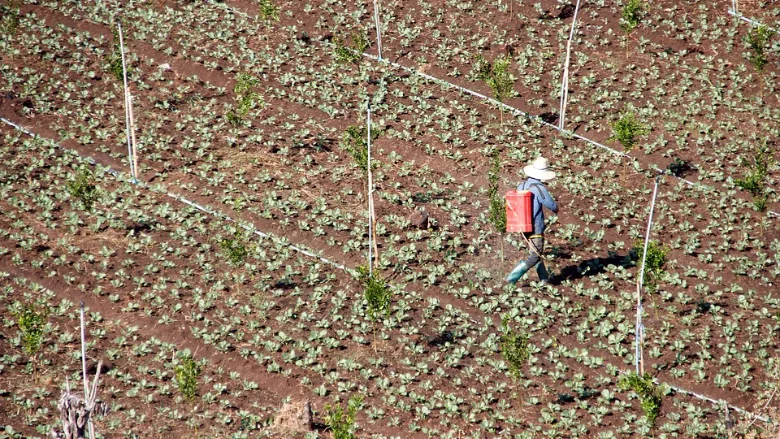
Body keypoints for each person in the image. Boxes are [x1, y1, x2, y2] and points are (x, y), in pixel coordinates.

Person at [506, 156, 559, 285]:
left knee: (536, 252)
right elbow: (551, 205)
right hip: (535, 226)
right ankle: (511, 279)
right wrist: (556, 209)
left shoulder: (522, 185)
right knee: (535, 256)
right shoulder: (539, 188)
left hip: (523, 225)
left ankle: (544, 279)